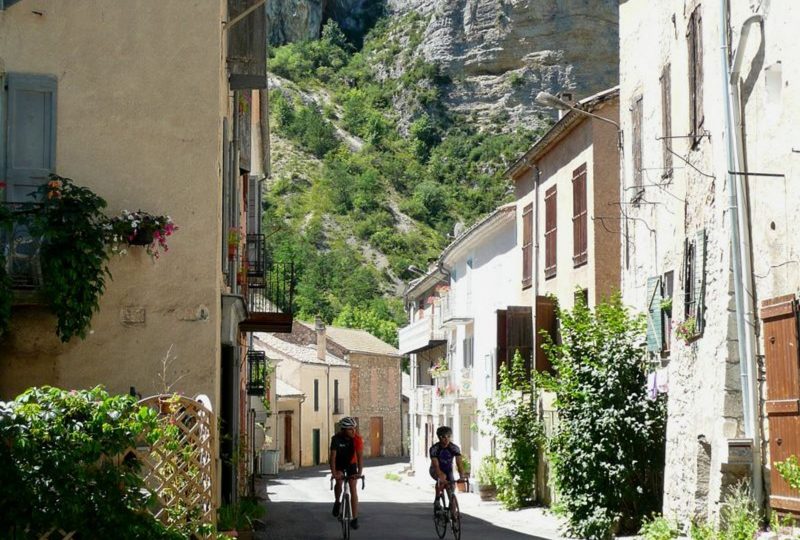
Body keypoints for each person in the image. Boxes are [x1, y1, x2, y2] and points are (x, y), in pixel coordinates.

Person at [330, 416, 364, 529]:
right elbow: (333, 458)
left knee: (353, 487)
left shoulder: (357, 439)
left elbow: (360, 457)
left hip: (351, 464)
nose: (354, 431)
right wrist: (334, 473)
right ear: (344, 430)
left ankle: (354, 519)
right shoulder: (336, 439)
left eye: (354, 428)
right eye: (350, 429)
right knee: (339, 483)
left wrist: (359, 472)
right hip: (339, 463)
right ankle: (337, 501)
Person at [429, 426, 466, 512]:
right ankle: (437, 499)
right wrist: (441, 477)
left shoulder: (454, 448)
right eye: (443, 437)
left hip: (448, 470)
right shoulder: (434, 449)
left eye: (448, 437)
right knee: (442, 479)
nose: (446, 439)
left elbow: (459, 464)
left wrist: (462, 476)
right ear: (439, 437)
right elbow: (436, 466)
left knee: (451, 488)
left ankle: (453, 514)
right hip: (435, 469)